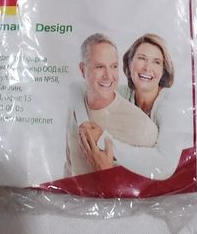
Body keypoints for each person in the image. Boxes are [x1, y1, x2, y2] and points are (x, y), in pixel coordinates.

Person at [77, 33, 186, 180]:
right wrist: (84, 124)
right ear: (129, 63)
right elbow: (78, 88)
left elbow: (164, 165)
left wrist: (103, 142)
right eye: (141, 58)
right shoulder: (123, 93)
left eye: (156, 62)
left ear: (163, 71)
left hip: (179, 179)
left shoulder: (171, 105)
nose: (147, 67)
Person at [65, 33, 158, 177]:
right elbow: (69, 166)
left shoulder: (143, 129)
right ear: (83, 70)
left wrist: (105, 173)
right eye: (100, 67)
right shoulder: (76, 105)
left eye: (114, 66)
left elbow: (148, 183)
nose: (109, 76)